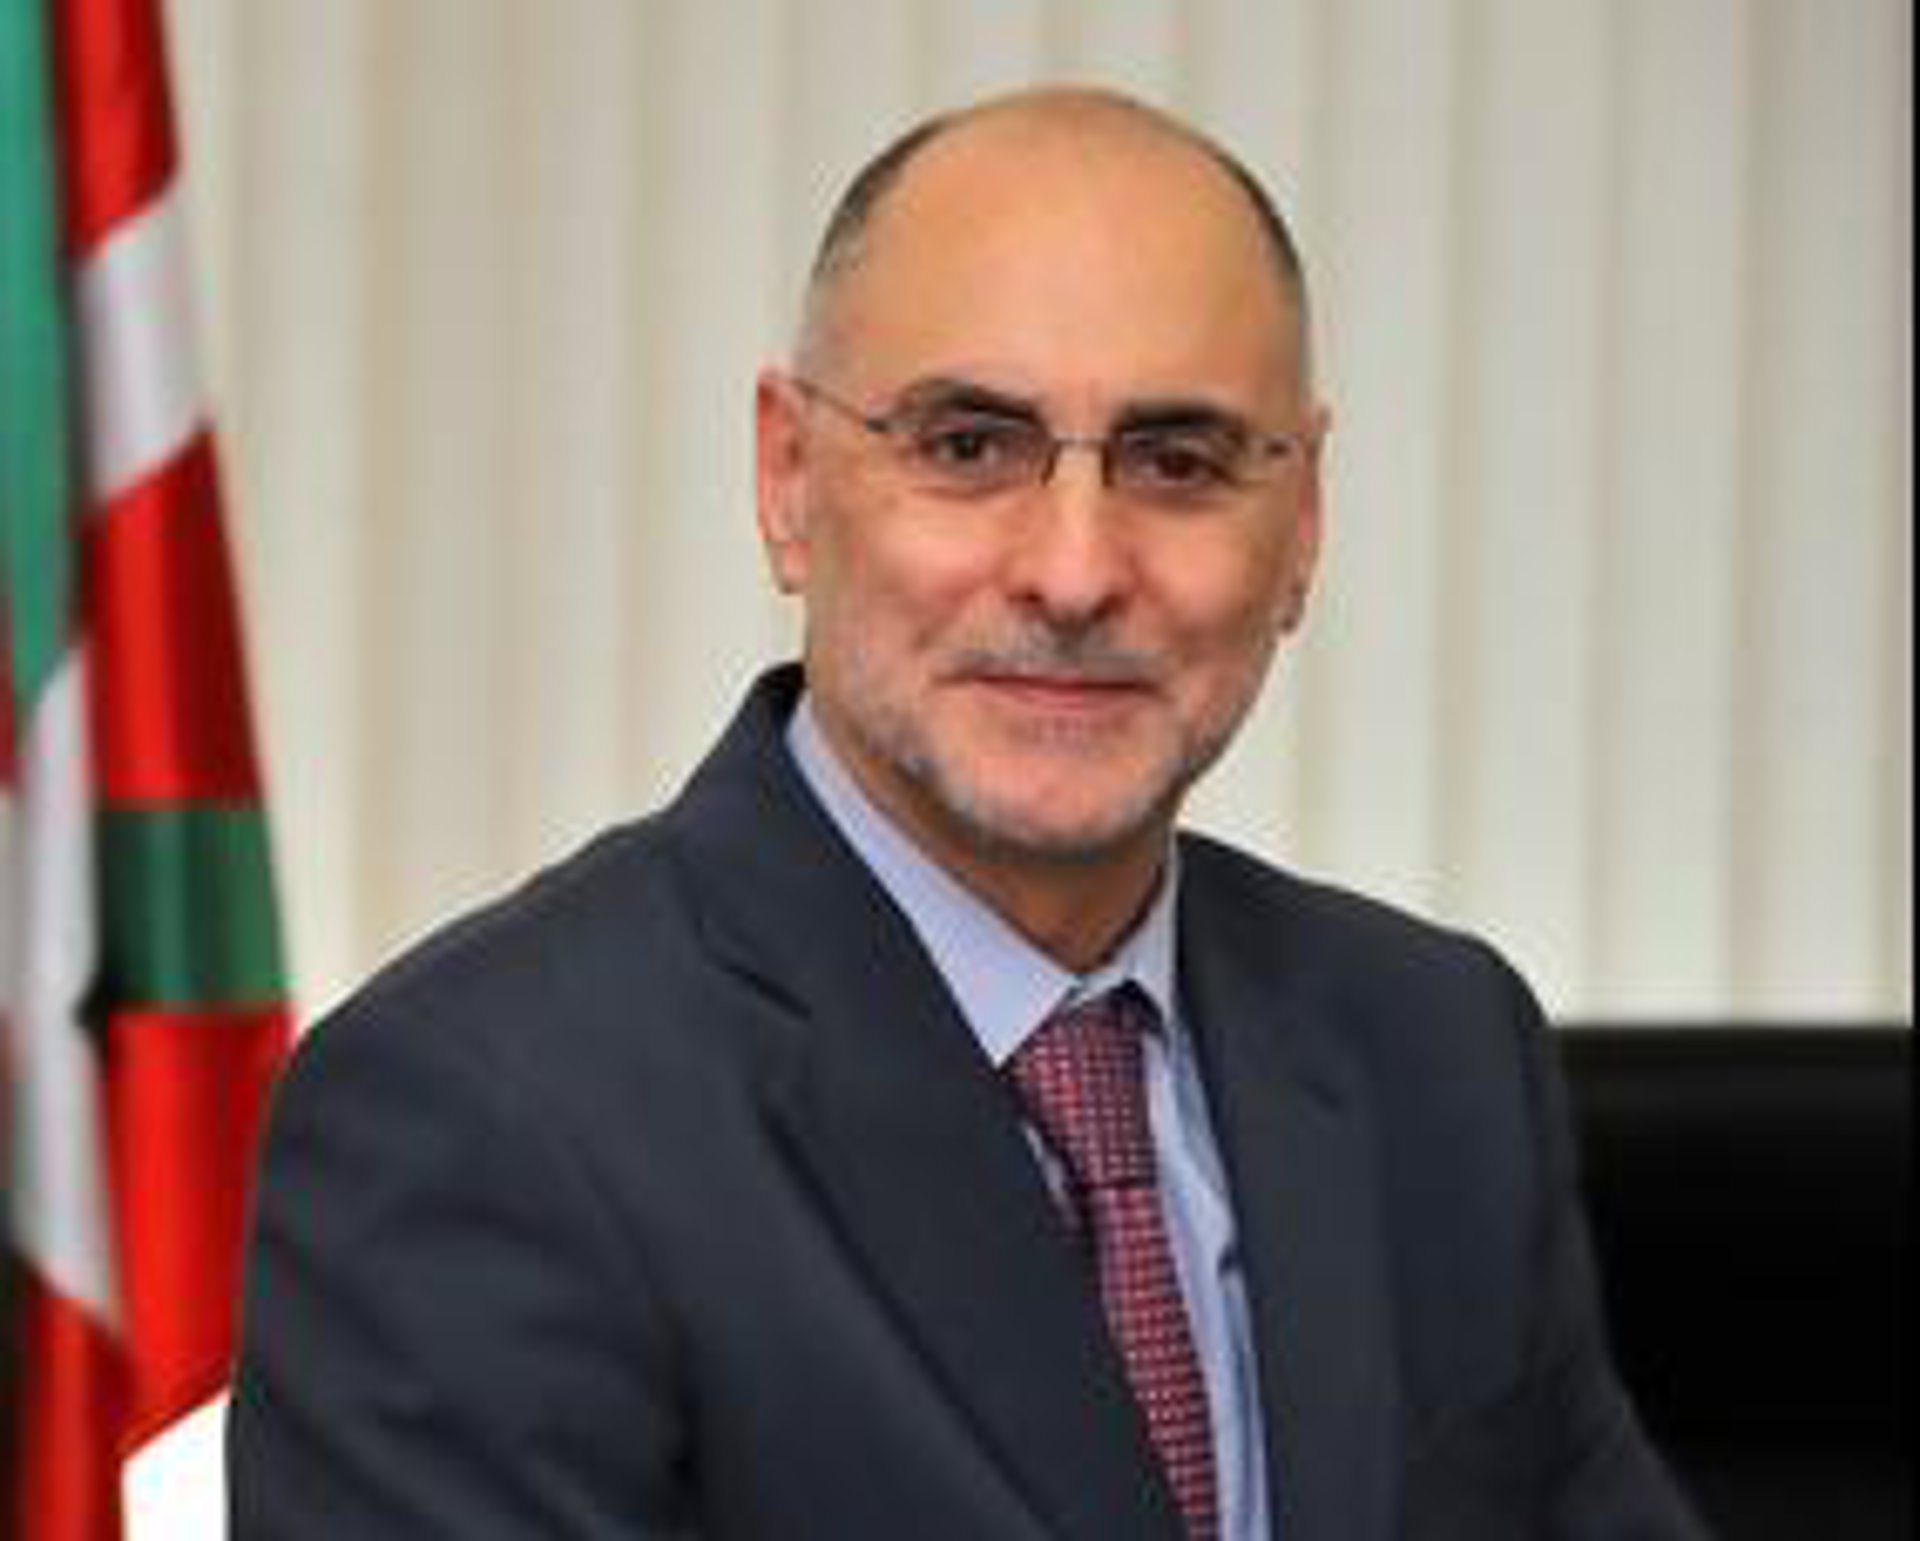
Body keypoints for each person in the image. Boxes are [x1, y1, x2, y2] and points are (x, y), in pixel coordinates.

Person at [228, 86, 1709, 1540]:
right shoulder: (478, 1113)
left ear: (1302, 521)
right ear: (789, 480)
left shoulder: (1432, 1049)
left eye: (1177, 462)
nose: (1074, 573)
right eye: (969, 446)